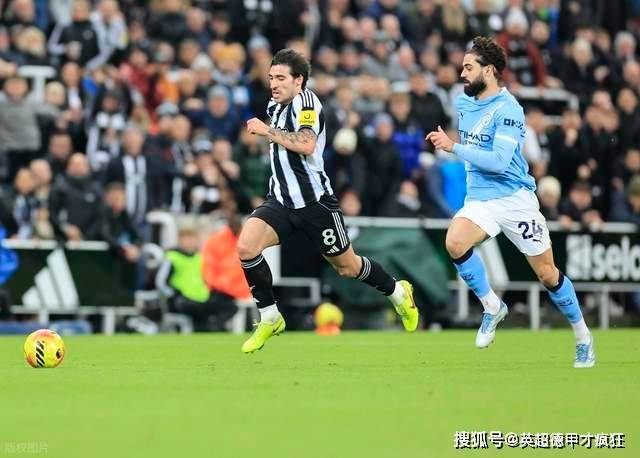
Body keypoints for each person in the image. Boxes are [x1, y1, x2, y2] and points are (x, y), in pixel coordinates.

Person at [426, 37, 595, 369]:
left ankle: (583, 336)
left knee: (547, 274)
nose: (462, 73)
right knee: (455, 242)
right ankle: (492, 306)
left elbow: (500, 161)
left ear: (489, 70)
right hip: (481, 198)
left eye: (468, 67)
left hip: (515, 199)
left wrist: (453, 147)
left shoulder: (510, 110)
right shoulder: (463, 103)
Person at [240, 48, 419, 353]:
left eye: (281, 78)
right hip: (281, 200)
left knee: (347, 267)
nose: (274, 83)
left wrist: (267, 130)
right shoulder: (275, 104)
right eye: (271, 77)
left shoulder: (307, 104)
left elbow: (307, 144)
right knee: (246, 247)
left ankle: (398, 292)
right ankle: (270, 317)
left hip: (315, 203)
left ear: (299, 80)